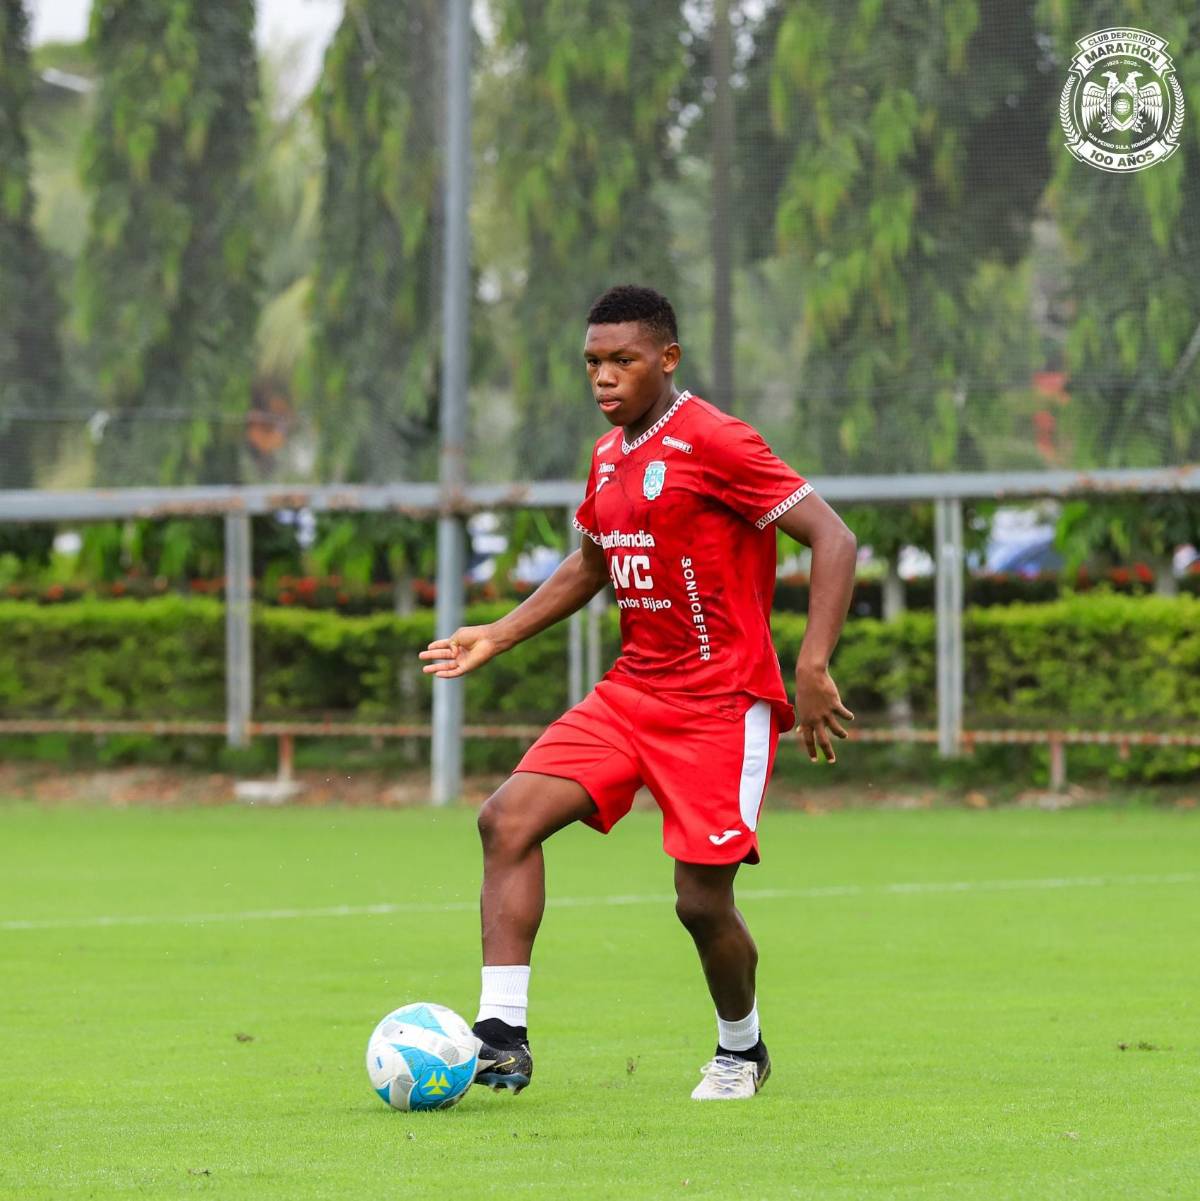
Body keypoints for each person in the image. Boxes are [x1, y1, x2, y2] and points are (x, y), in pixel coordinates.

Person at [420, 284, 857, 1100]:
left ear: (667, 358)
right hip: (631, 693)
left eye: (623, 360)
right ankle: (500, 1035)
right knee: (506, 818)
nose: (605, 377)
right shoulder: (608, 457)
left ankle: (740, 1047)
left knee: (701, 903)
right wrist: (496, 632)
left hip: (721, 704)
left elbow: (833, 536)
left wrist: (812, 663)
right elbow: (591, 564)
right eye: (593, 362)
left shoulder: (718, 441)